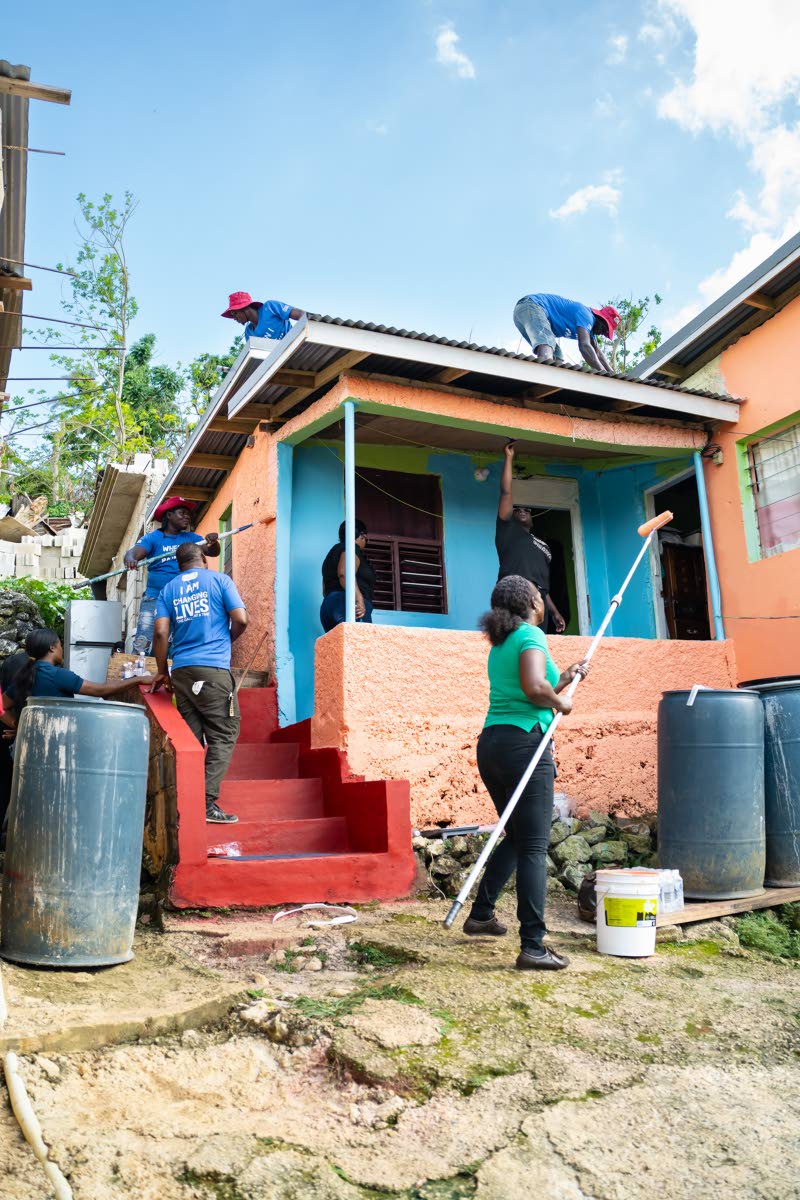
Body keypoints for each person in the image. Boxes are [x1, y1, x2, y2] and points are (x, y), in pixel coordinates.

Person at [463, 575, 588, 970]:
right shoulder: (532, 634)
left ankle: (481, 914)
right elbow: (535, 689)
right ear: (533, 601)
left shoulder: (502, 643)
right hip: (525, 745)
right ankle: (533, 945)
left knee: (517, 836)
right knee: (534, 844)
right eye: (539, 594)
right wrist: (561, 705)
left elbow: (535, 683)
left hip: (493, 744)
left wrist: (565, 678)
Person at [151, 542, 248, 824]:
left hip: (181, 672)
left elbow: (160, 632)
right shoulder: (219, 580)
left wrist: (162, 672)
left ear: (178, 565)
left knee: (191, 740)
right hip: (214, 671)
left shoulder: (168, 589)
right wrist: (227, 640)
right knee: (225, 732)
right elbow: (241, 618)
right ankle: (204, 803)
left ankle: (183, 802)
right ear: (203, 558)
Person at [123, 497, 220, 652]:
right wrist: (130, 559)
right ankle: (139, 674)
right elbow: (133, 553)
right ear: (169, 515)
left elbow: (212, 552)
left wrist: (213, 543)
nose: (187, 516)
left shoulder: (192, 538)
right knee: (144, 642)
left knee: (179, 644)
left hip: (184, 599)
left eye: (188, 514)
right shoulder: (153, 538)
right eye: (182, 513)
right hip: (155, 597)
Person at [496, 441, 565, 634]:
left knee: (534, 641)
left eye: (528, 509)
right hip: (514, 590)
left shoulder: (544, 546)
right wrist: (509, 458)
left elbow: (543, 585)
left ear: (533, 519)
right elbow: (506, 492)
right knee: (515, 638)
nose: (523, 510)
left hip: (538, 599)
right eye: (518, 509)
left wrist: (554, 611)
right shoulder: (507, 531)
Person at [1, 629, 151, 718]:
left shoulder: (24, 676)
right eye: (60, 645)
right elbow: (101, 690)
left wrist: (17, 726)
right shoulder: (58, 675)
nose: (62, 649)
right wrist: (139, 679)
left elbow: (3, 706)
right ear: (52, 648)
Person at [513, 293, 620, 374]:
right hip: (531, 306)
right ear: (600, 318)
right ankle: (543, 378)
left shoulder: (590, 330)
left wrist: (612, 374)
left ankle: (553, 383)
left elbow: (598, 354)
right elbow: (585, 346)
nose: (602, 333)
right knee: (546, 343)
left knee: (557, 356)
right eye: (605, 329)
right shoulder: (587, 315)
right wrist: (602, 372)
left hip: (524, 313)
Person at [320, 519, 376, 632]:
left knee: (338, 648)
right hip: (348, 604)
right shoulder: (352, 548)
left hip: (328, 606)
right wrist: (359, 598)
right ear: (361, 535)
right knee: (359, 645)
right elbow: (344, 573)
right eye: (366, 538)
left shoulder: (331, 554)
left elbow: (324, 588)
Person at [221, 292, 304, 342]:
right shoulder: (249, 333)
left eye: (234, 313)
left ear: (245, 308)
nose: (234, 318)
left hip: (295, 344)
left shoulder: (270, 307)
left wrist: (313, 320)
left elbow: (300, 314)